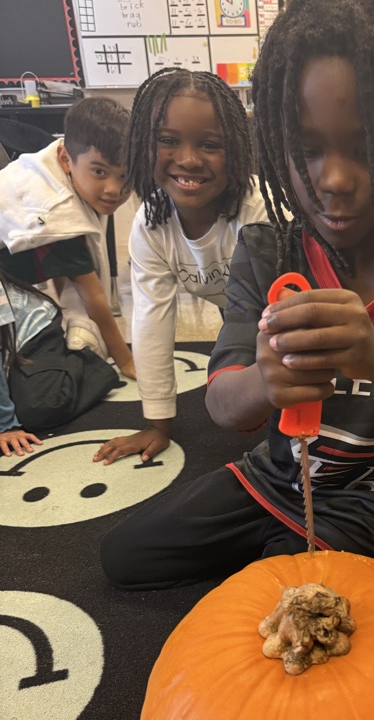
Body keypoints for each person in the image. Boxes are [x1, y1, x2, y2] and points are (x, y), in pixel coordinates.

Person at [99, 0, 374, 590]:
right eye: (308, 149)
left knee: (288, 597)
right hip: (280, 482)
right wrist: (266, 381)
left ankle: (305, 557)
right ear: (277, 149)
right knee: (126, 556)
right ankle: (291, 550)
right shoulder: (267, 252)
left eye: (366, 148)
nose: (336, 179)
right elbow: (221, 404)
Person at [93, 68, 267, 466]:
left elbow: (277, 317)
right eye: (167, 141)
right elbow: (152, 321)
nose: (188, 160)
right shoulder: (152, 224)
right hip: (235, 306)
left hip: (279, 307)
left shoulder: (258, 214)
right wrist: (157, 424)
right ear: (143, 145)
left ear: (238, 150)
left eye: (210, 144)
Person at [0, 96, 135, 379]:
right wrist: (125, 360)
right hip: (8, 307)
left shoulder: (51, 164)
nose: (113, 189)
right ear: (66, 159)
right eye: (99, 172)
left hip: (17, 292)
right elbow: (94, 298)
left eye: (125, 176)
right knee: (46, 395)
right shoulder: (59, 214)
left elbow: (57, 267)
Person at [0, 269, 118, 456]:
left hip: (33, 329)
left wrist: (5, 426)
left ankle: (85, 355)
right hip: (7, 344)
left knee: (38, 409)